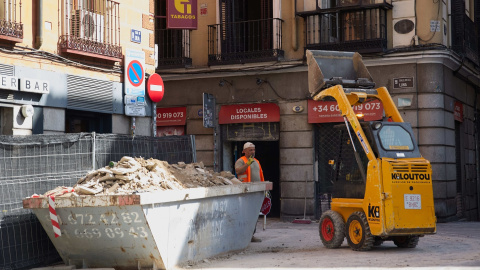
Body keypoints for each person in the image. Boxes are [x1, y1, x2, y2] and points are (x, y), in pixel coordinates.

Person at [235, 142, 264, 242]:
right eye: (250, 150)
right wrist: (247, 164)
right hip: (246, 191)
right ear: (244, 151)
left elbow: (260, 176)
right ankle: (244, 235)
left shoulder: (256, 161)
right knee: (245, 214)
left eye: (253, 150)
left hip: (256, 191)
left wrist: (263, 188)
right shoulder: (241, 161)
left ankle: (251, 235)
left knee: (254, 214)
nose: (252, 152)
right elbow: (238, 171)